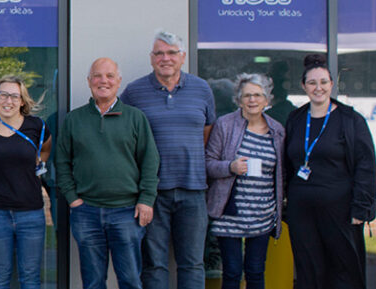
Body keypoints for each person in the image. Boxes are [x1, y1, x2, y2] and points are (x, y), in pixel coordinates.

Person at [120, 30, 216, 289]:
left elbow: (206, 133)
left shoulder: (202, 89)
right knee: (154, 264)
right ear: (152, 58)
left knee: (193, 263)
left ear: (182, 57)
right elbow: (124, 135)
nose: (166, 58)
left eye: (172, 52)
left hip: (194, 190)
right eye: (159, 53)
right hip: (152, 194)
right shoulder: (134, 92)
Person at [55, 57, 160, 289]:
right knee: (93, 282)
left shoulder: (135, 118)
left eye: (110, 76)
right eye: (97, 76)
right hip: (86, 212)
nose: (103, 81)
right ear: (89, 81)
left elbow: (150, 162)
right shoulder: (74, 119)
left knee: (131, 280)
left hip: (127, 213)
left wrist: (146, 200)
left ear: (119, 81)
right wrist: (73, 199)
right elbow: (61, 163)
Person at [284, 54, 376, 289]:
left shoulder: (350, 119)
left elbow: (366, 167)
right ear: (304, 86)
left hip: (340, 210)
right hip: (301, 211)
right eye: (312, 83)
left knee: (344, 268)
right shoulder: (296, 118)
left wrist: (361, 208)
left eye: (324, 82)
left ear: (332, 84)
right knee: (308, 269)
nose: (319, 88)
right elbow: (287, 163)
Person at [204, 73, 285, 289]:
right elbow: (208, 163)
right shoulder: (225, 124)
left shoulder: (277, 131)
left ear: (267, 100)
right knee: (231, 272)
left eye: (258, 95)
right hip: (230, 215)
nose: (252, 100)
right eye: (247, 95)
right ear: (239, 100)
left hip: (262, 215)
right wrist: (230, 167)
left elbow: (281, 172)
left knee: (256, 272)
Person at [0, 75, 51, 289]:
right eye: (4, 95)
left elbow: (45, 148)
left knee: (30, 277)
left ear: (22, 101)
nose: (8, 101)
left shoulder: (36, 126)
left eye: (14, 96)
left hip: (31, 213)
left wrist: (38, 163)